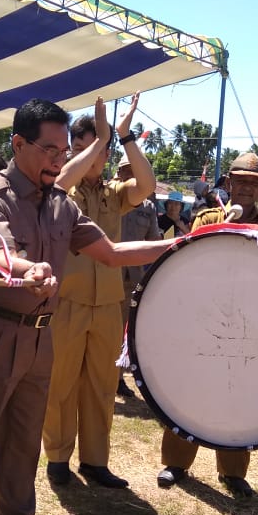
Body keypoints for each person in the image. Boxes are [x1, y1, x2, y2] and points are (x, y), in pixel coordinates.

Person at [0, 97, 174, 515]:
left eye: (63, 150)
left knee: (23, 445)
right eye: (49, 150)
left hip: (41, 336)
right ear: (18, 144)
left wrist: (174, 246)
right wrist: (30, 270)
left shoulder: (61, 203)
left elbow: (110, 253)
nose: (57, 159)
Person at [42, 93, 155, 489]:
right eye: (79, 148)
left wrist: (123, 137)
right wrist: (95, 144)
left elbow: (148, 183)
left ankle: (95, 461)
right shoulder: (60, 192)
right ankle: (57, 456)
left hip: (108, 304)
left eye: (97, 150)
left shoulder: (113, 194)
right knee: (61, 383)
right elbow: (60, 183)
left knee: (102, 386)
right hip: (67, 302)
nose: (91, 158)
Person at [156, 151, 258, 501]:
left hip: (247, 323)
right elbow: (192, 259)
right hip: (205, 316)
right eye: (241, 181)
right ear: (228, 184)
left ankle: (233, 472)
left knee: (237, 396)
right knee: (191, 388)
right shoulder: (207, 218)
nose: (246, 188)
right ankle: (177, 464)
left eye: (254, 184)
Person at [117, 154, 162, 398]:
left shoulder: (148, 207)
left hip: (132, 278)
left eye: (137, 171)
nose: (133, 175)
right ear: (120, 173)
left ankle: (117, 379)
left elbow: (153, 241)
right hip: (104, 274)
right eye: (128, 170)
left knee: (125, 330)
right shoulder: (109, 199)